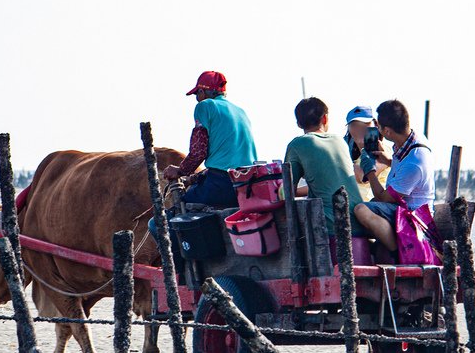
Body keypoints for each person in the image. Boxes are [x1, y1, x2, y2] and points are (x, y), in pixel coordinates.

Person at [149, 71, 258, 241]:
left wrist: (180, 171)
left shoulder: (205, 106)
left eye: (197, 94)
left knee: (159, 223)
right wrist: (196, 176)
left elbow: (199, 151)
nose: (197, 99)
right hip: (247, 185)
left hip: (221, 184)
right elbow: (228, 159)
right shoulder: (240, 111)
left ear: (203, 92)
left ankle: (179, 265)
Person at [353, 99, 435, 254]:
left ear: (388, 132)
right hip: (401, 208)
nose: (377, 129)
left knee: (360, 210)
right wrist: (387, 161)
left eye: (379, 127)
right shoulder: (411, 139)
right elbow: (404, 170)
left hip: (412, 217)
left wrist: (369, 172)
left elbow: (383, 197)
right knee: (367, 207)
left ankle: (398, 252)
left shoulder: (415, 161)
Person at [283, 97, 363, 234]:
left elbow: (287, 191)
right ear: (325, 119)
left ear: (298, 124)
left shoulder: (297, 145)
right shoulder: (340, 141)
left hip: (332, 227)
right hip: (360, 222)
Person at [343, 105, 391, 201]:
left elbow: (362, 176)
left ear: (376, 125)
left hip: (371, 206)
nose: (359, 129)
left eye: (365, 124)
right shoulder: (349, 153)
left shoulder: (383, 149)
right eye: (354, 125)